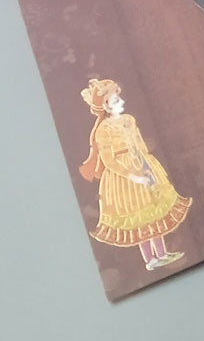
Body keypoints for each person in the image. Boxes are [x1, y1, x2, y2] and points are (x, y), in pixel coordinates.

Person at [78, 78, 192, 271]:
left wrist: (148, 167)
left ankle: (161, 253)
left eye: (119, 98)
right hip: (123, 177)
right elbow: (109, 161)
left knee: (154, 210)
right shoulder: (103, 130)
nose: (121, 102)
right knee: (138, 216)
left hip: (141, 164)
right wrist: (134, 176)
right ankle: (150, 259)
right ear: (106, 106)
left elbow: (140, 144)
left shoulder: (128, 120)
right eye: (115, 100)